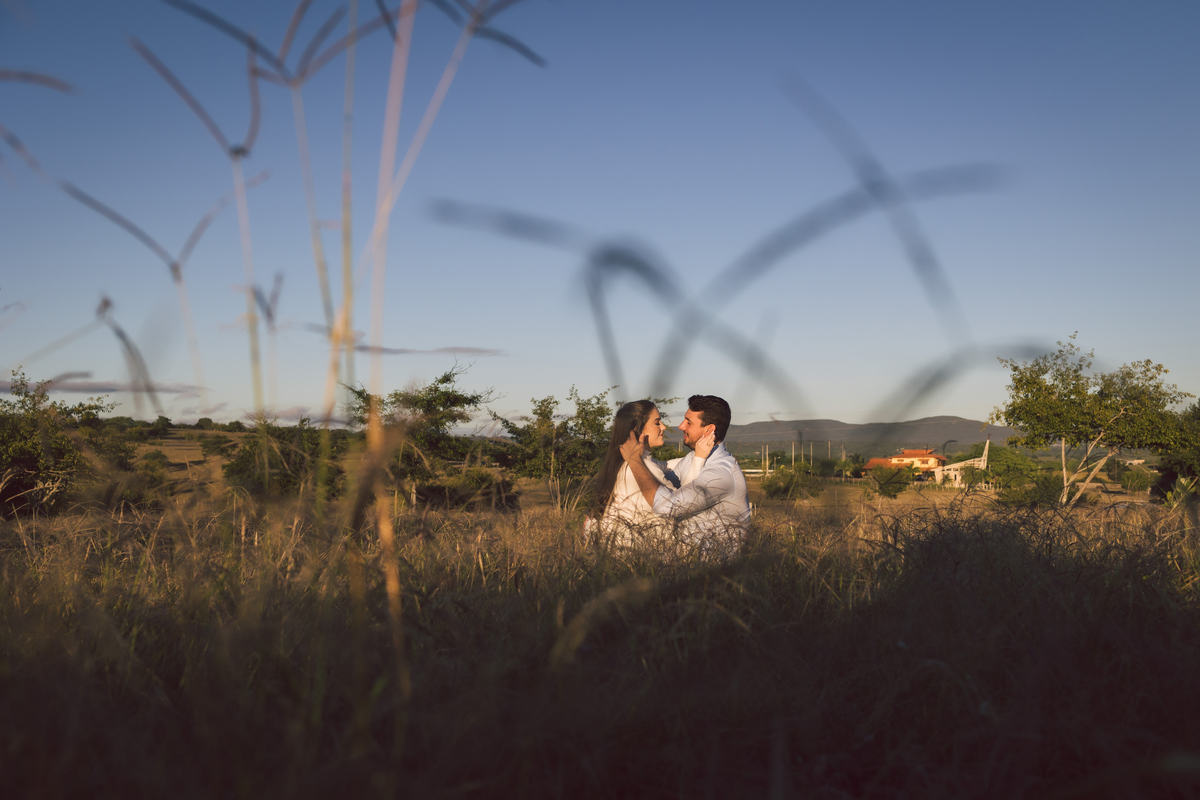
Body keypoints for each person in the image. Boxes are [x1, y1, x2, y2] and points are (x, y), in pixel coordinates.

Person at [618, 394, 750, 556]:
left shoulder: (721, 473)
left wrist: (635, 461)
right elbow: (662, 470)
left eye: (688, 422)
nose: (680, 426)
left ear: (709, 430)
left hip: (713, 568)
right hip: (686, 560)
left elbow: (668, 507)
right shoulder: (693, 458)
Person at [591, 399, 715, 548]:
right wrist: (699, 458)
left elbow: (666, 465)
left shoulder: (627, 463)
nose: (663, 427)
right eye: (657, 423)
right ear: (638, 429)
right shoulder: (641, 468)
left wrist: (696, 452)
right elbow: (683, 506)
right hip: (646, 554)